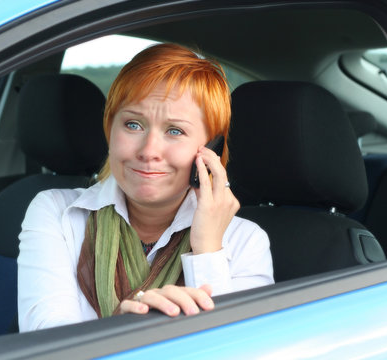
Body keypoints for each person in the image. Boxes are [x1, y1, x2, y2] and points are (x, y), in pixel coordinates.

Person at [17, 43, 274, 331]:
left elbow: (234, 347)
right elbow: (45, 341)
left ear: (211, 149)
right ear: (109, 130)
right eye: (133, 125)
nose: (149, 150)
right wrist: (124, 330)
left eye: (175, 131)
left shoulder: (246, 242)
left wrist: (207, 252)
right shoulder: (57, 213)